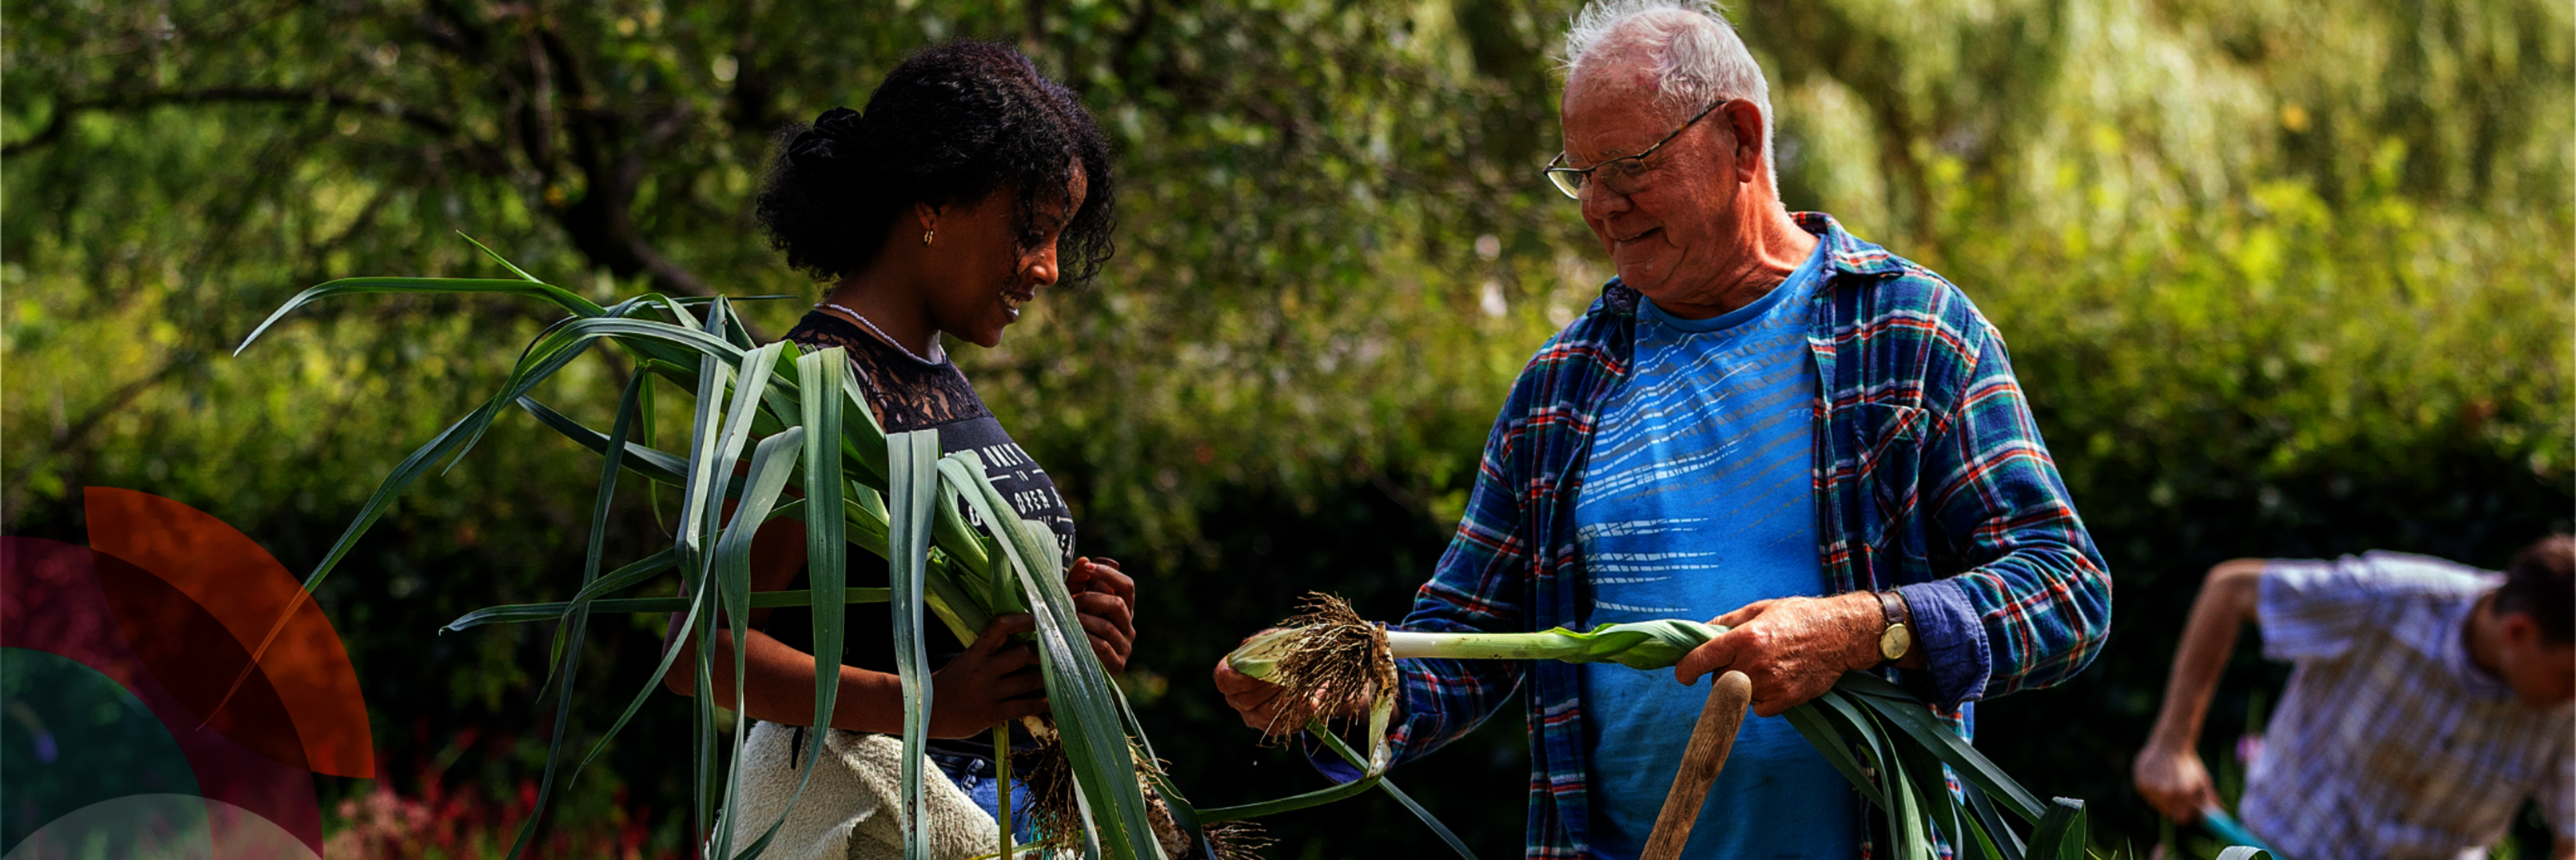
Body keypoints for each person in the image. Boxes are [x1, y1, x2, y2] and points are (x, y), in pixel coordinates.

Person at [1211, 1, 2111, 857]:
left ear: (1743, 140)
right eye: (1581, 175)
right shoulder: (1562, 388)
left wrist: (1863, 627)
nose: (1600, 206)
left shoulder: (1912, 334)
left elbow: (2067, 590)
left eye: (1630, 166)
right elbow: (1464, 635)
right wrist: (1344, 686)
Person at [654, 41, 1137, 855]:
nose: (1049, 267)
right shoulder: (810, 390)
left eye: (1059, 235)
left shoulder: (936, 374)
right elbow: (701, 647)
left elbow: (962, 646)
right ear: (932, 205)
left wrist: (1070, 639)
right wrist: (923, 703)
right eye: (1031, 230)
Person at [2133, 536, 2576, 860]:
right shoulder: (2389, 598)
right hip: (2284, 846)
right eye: (2569, 677)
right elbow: (2232, 590)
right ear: (2518, 632)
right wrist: (2173, 745)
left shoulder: (2567, 708)